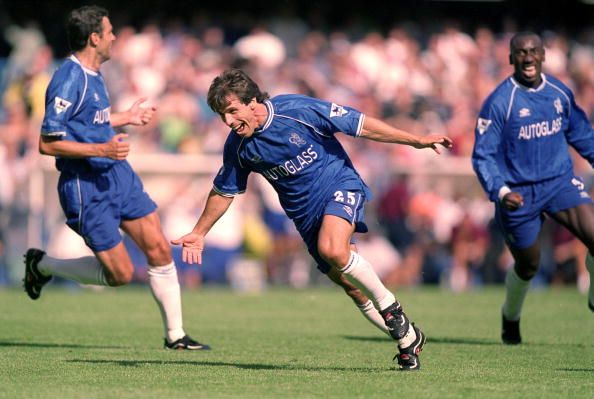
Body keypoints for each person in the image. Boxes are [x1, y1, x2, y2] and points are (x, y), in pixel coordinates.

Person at [172, 68, 453, 370]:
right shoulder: (238, 146)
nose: (228, 122)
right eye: (221, 115)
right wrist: (199, 232)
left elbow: (361, 125)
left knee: (333, 249)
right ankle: (408, 339)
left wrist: (415, 140)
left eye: (231, 111)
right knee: (352, 286)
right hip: (304, 216)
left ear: (252, 101)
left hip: (339, 185)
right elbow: (223, 192)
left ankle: (390, 306)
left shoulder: (297, 110)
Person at [23, 5, 209, 351]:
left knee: (157, 245)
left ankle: (176, 336)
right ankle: (42, 265)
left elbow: (91, 121)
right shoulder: (69, 78)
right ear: (94, 38)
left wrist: (127, 117)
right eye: (109, 32)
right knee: (120, 275)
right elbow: (47, 143)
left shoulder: (94, 75)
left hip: (117, 176)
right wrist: (103, 151)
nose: (114, 37)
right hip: (86, 188)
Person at [472, 31, 594, 345]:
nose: (527, 57)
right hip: (517, 194)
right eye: (521, 52)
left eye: (533, 51)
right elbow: (482, 156)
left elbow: (582, 135)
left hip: (559, 183)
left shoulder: (559, 92)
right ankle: (510, 317)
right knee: (529, 265)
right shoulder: (500, 102)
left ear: (543, 55)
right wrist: (499, 191)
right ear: (511, 58)